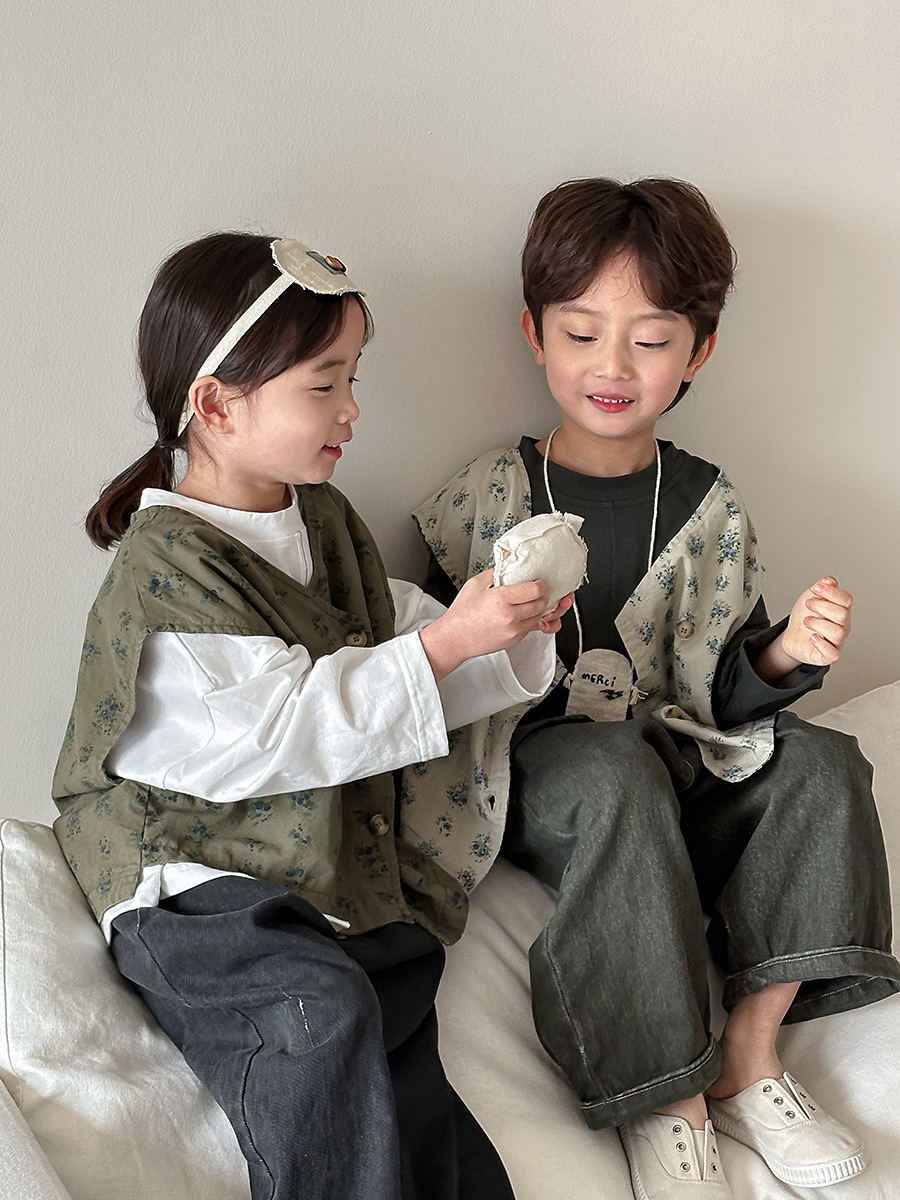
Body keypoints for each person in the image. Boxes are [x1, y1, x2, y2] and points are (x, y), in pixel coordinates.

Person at [52, 231, 572, 1200]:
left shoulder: (321, 517)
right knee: (316, 1011)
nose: (352, 409)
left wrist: (495, 634)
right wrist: (444, 646)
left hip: (312, 877)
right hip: (193, 881)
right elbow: (285, 725)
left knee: (398, 992)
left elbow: (379, 638)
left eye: (352, 379)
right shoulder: (166, 568)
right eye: (324, 384)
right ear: (216, 405)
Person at [413, 178, 900, 1199]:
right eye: (582, 333)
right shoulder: (483, 495)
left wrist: (789, 654)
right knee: (615, 773)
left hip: (681, 753)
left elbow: (724, 688)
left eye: (651, 339)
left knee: (822, 760)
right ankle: (663, 1098)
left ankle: (748, 1059)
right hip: (547, 768)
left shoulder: (708, 505)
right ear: (534, 333)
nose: (613, 367)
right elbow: (426, 668)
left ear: (698, 350)